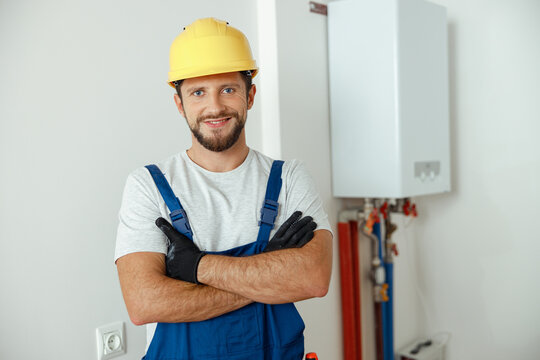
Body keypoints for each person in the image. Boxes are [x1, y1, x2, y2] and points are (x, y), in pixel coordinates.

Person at [115, 17, 333, 359]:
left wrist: (198, 268)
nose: (214, 107)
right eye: (198, 92)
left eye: (228, 89)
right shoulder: (148, 186)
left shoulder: (290, 177)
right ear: (179, 103)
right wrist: (267, 270)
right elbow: (144, 303)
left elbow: (314, 279)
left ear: (250, 95)